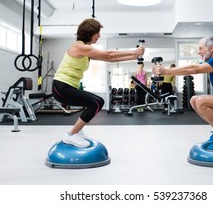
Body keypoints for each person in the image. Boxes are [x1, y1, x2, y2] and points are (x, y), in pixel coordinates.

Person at [52, 18, 145, 148]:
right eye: (97, 32)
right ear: (90, 32)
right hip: (61, 87)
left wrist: (133, 56)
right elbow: (108, 54)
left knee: (96, 101)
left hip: (66, 87)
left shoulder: (86, 49)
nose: (99, 35)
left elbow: (110, 59)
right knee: (97, 102)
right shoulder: (79, 46)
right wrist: (133, 52)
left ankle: (77, 131)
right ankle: (71, 134)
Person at [152, 37, 213, 151]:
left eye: (201, 48)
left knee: (201, 102)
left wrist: (165, 71)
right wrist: (165, 71)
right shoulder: (210, 62)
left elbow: (194, 69)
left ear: (211, 48)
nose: (199, 52)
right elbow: (190, 69)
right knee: (194, 100)